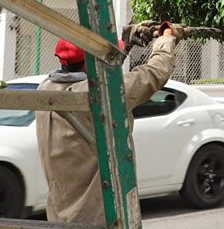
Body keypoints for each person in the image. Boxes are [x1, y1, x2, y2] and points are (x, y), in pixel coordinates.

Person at [35, 23, 182, 224]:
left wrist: (127, 43)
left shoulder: (45, 89)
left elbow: (101, 74)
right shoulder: (95, 96)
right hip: (100, 217)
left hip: (61, 216)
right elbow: (152, 74)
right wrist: (166, 40)